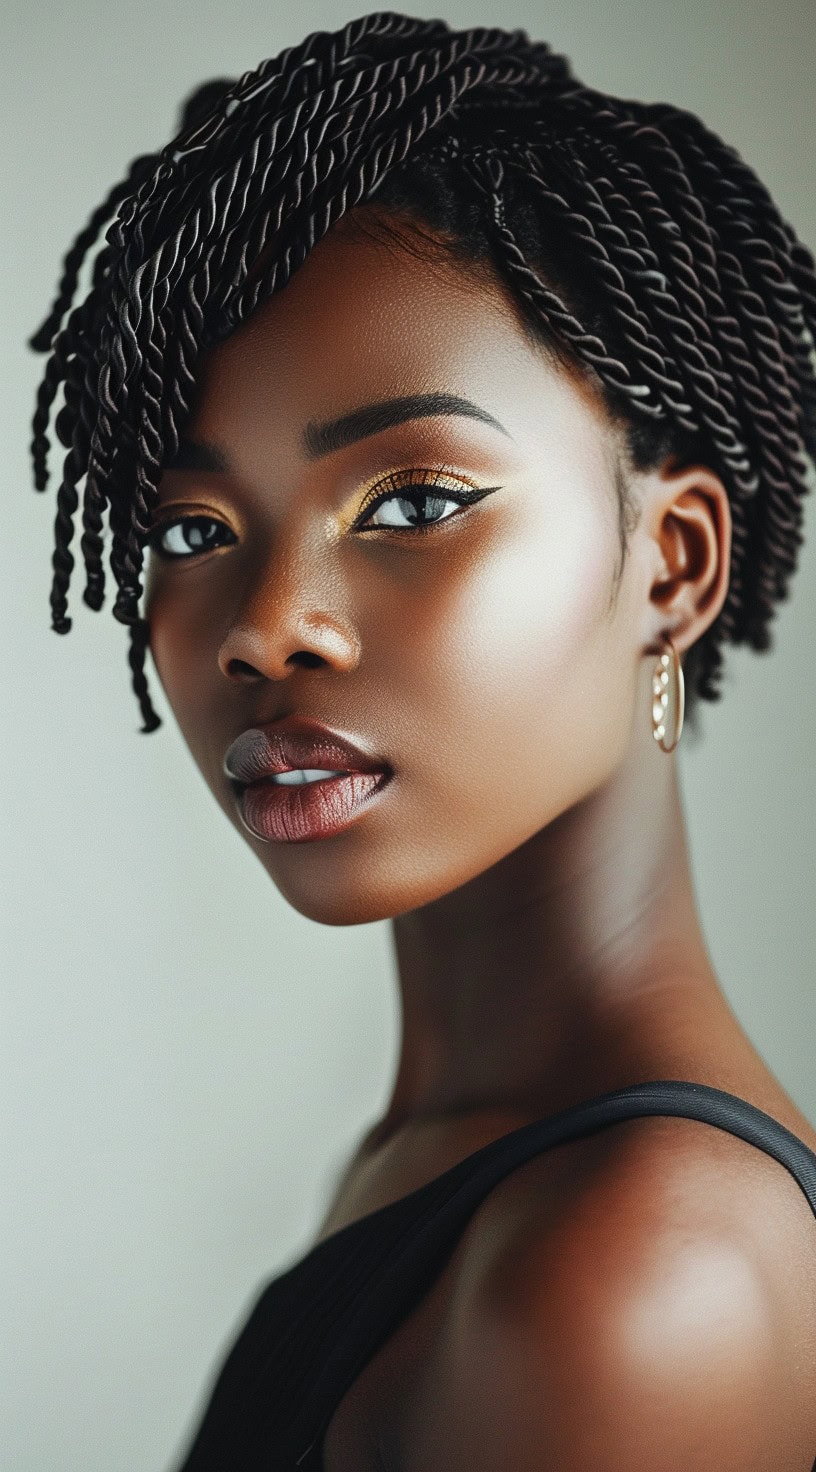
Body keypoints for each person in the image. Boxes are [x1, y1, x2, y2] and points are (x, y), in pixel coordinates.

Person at [27, 13, 816, 1470]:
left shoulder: (636, 1275)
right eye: (196, 530)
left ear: (677, 566)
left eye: (410, 502)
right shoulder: (461, 1163)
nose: (268, 627)